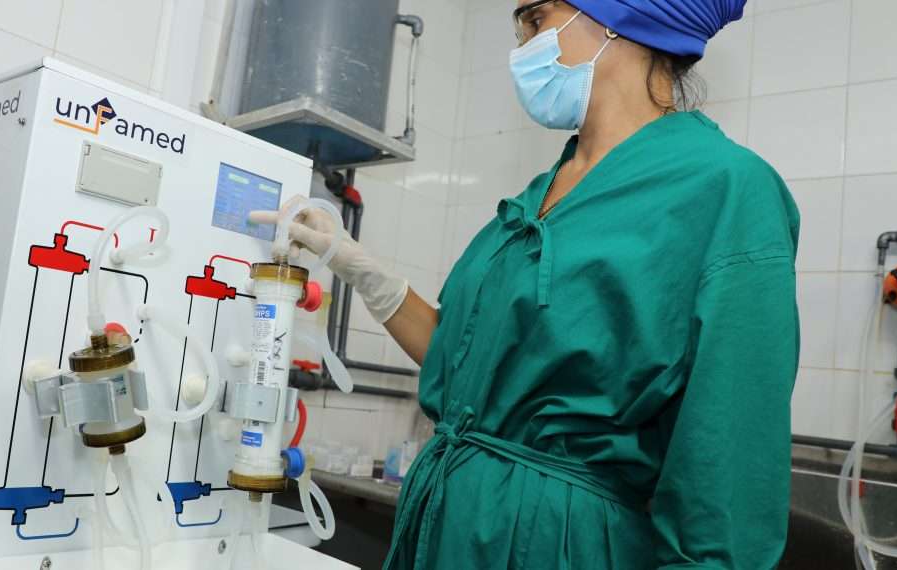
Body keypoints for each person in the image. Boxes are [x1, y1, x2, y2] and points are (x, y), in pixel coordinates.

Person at [252, 0, 799, 567]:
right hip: (451, 530)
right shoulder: (536, 199)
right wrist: (358, 267)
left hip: (560, 547)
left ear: (618, 19)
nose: (521, 49)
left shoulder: (726, 191)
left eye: (535, 20)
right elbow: (459, 365)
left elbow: (728, 479)